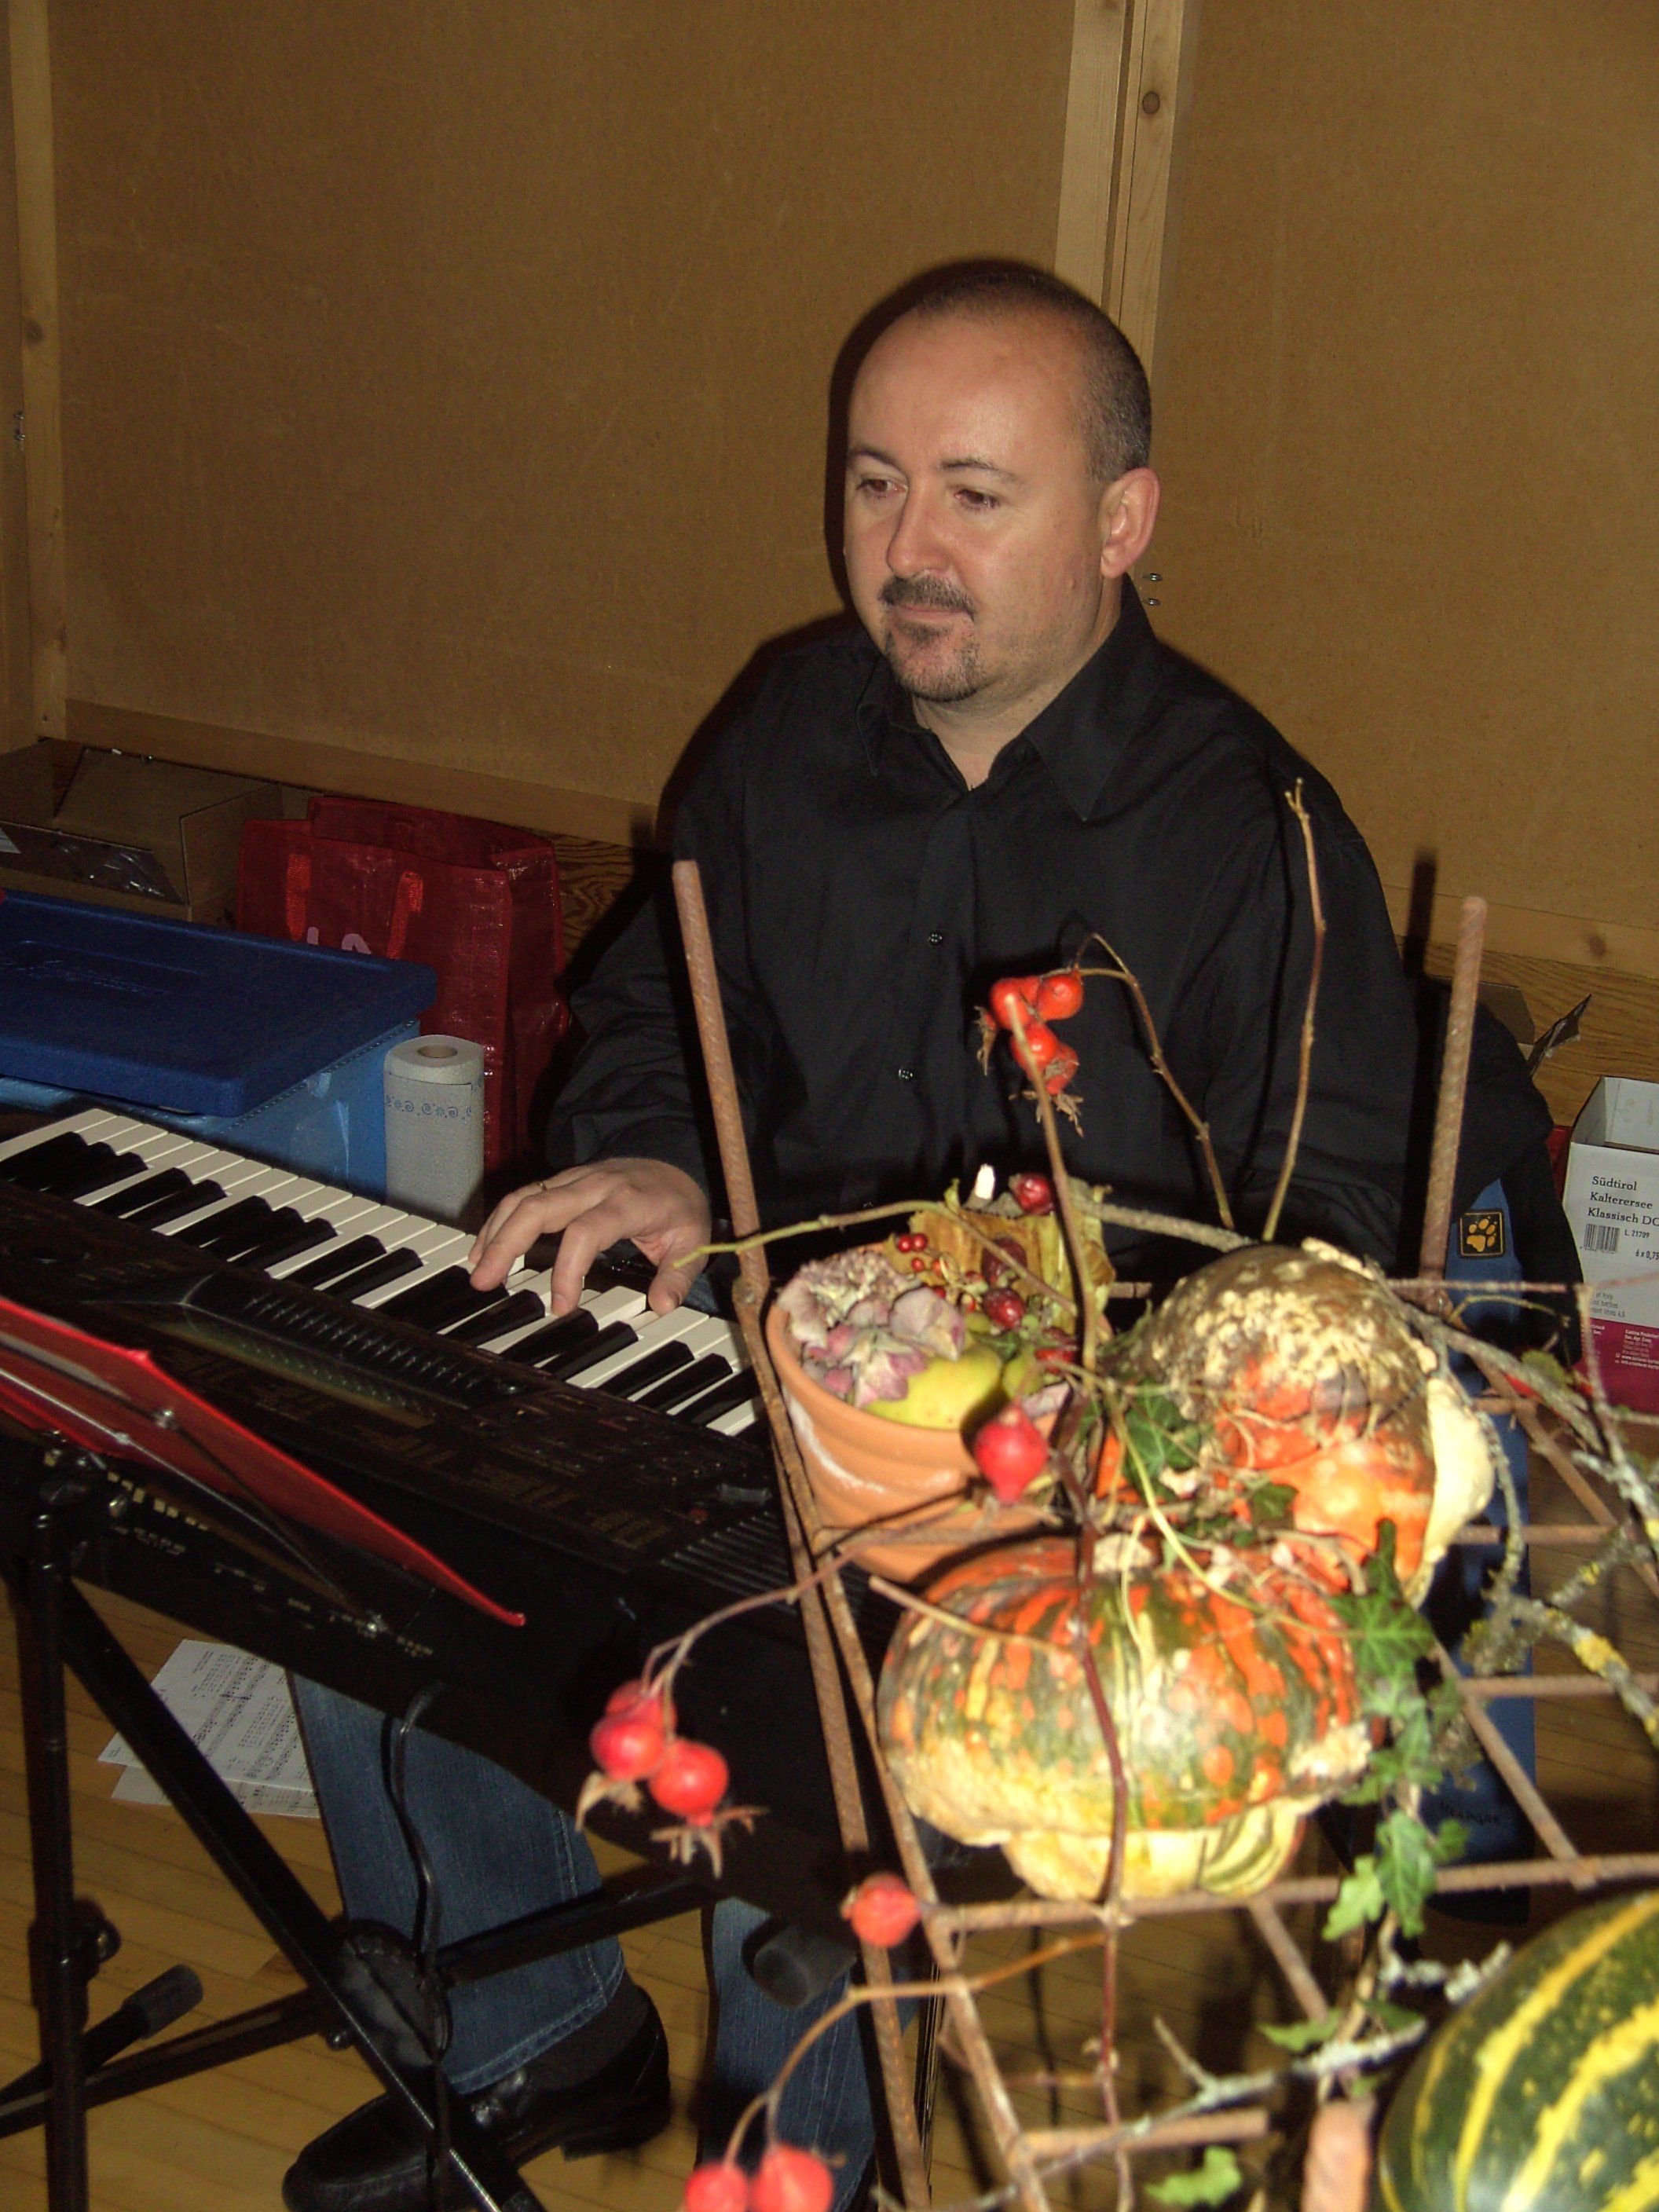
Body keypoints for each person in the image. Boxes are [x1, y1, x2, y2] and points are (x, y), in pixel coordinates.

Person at [283, 264, 1420, 2212]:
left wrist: (1108, 1388)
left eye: (977, 495)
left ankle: (791, 2138)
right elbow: (656, 1012)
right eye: (875, 483)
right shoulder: (783, 729)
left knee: (810, 1733)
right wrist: (660, 1164)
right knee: (368, 1516)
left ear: (1122, 522)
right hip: (740, 1357)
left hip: (1037, 1481)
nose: (908, 550)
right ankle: (528, 2026)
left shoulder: (1260, 834)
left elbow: (1339, 1235)